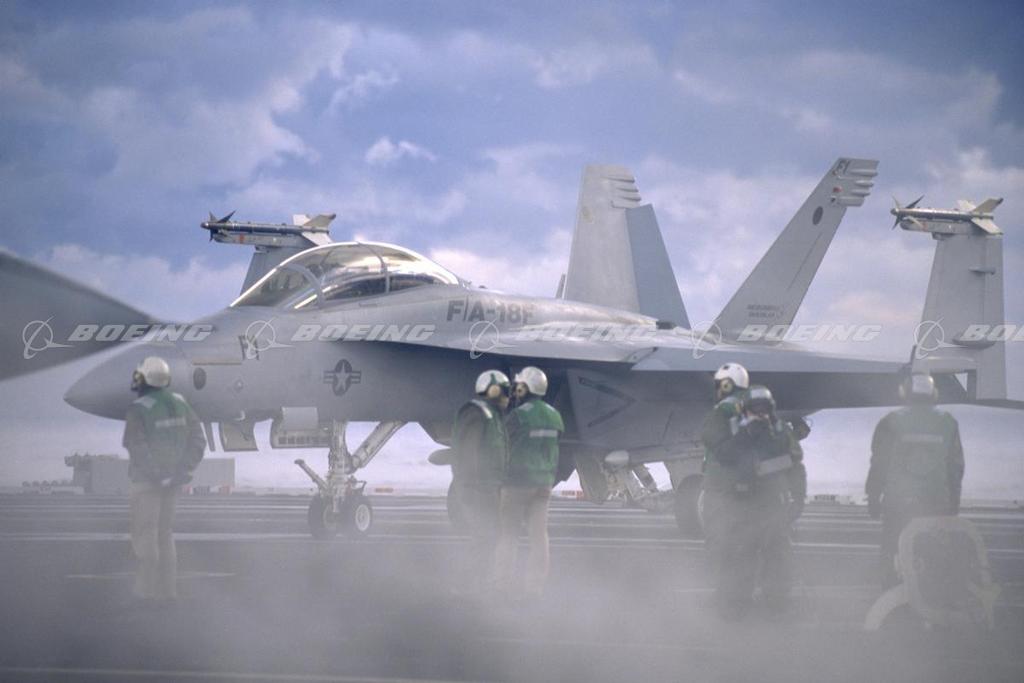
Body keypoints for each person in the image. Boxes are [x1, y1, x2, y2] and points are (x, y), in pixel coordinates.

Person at [701, 363, 803, 619]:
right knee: (767, 554)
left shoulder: (727, 417)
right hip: (760, 500)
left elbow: (721, 450)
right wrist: (797, 497)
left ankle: (737, 604)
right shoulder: (774, 426)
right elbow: (794, 462)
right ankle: (770, 604)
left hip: (740, 499)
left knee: (738, 552)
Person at [122, 356, 206, 607]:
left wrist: (157, 473)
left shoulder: (139, 408)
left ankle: (145, 592)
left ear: (145, 378)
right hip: (174, 482)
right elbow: (198, 440)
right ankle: (168, 592)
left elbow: (136, 446)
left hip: (147, 483)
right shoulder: (181, 403)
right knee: (165, 535)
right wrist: (181, 470)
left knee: (145, 535)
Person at [866, 373, 964, 587]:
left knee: (893, 550)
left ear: (905, 393)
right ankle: (932, 597)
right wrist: (953, 502)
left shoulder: (890, 421)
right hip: (936, 503)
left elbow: (879, 463)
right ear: (933, 394)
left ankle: (892, 593)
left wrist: (873, 496)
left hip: (898, 502)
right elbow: (955, 467)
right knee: (933, 554)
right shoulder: (948, 422)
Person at [493, 366, 564, 601]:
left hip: (517, 482)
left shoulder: (518, 416)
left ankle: (501, 585)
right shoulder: (555, 416)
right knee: (539, 537)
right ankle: (535, 589)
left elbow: (501, 443)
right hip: (543, 483)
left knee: (509, 534)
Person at [450, 369, 511, 596]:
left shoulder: (493, 416)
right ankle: (466, 585)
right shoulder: (477, 413)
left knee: (489, 536)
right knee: (484, 536)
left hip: (489, 487)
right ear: (492, 391)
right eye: (504, 392)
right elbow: (469, 452)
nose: (508, 397)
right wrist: (469, 486)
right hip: (478, 489)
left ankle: (477, 584)